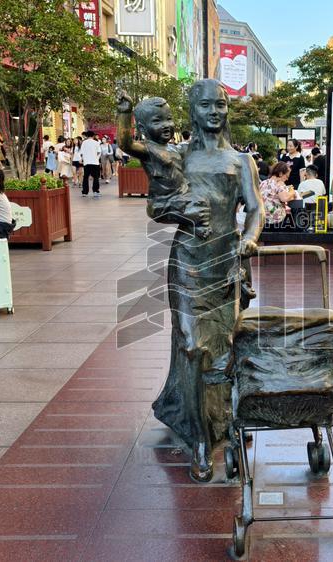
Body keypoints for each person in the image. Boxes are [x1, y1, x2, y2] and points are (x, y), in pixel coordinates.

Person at [150, 79, 263, 482]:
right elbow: (156, 208)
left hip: (226, 260)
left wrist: (249, 238)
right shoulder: (177, 157)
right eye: (206, 106)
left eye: (221, 105)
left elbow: (255, 209)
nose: (214, 112)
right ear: (193, 111)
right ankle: (200, 438)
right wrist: (180, 212)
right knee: (193, 343)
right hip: (187, 260)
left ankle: (223, 421)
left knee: (222, 346)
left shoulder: (241, 161)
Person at [117, 94, 211, 239]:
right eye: (157, 121)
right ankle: (195, 225)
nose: (166, 125)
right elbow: (125, 144)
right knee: (198, 210)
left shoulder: (175, 149)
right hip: (162, 204)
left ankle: (194, 226)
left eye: (169, 119)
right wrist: (124, 113)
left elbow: (196, 146)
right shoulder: (148, 149)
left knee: (205, 202)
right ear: (142, 128)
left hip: (182, 197)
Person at [260, 161, 294, 228]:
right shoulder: (279, 183)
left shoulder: (263, 183)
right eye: (287, 176)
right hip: (275, 219)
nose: (287, 179)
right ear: (281, 173)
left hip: (262, 218)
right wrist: (292, 191)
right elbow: (284, 198)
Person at [80, 131, 101, 197]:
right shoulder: (96, 143)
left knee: (86, 177)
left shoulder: (84, 143)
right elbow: (99, 152)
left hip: (86, 162)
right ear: (93, 136)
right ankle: (95, 191)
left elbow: (81, 153)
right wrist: (96, 158)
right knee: (96, 177)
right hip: (95, 162)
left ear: (87, 135)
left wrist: (84, 159)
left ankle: (85, 192)